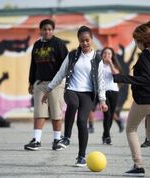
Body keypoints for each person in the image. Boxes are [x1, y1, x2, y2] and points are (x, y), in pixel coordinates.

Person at [113, 17, 150, 176]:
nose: (136, 45)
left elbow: (146, 79)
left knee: (131, 129)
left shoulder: (146, 54)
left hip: (146, 100)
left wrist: (120, 78)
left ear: (141, 41)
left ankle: (138, 166)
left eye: (136, 41)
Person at [42, 26, 108, 166]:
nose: (84, 43)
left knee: (82, 122)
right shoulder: (72, 55)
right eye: (82, 41)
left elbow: (101, 80)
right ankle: (66, 137)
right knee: (72, 104)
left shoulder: (97, 58)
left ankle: (81, 156)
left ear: (91, 40)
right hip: (72, 90)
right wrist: (48, 89)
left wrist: (102, 100)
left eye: (87, 40)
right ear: (78, 41)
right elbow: (61, 73)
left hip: (88, 94)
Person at [24, 19, 68, 151]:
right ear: (41, 30)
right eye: (44, 29)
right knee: (39, 112)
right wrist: (31, 82)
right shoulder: (37, 45)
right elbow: (33, 65)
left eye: (49, 29)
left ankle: (57, 140)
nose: (47, 31)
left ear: (53, 30)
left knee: (56, 112)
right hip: (40, 83)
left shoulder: (59, 44)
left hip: (55, 83)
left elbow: (66, 64)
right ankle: (36, 140)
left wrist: (64, 80)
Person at [101, 47, 121, 145]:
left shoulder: (114, 65)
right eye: (105, 53)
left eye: (109, 53)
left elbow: (116, 75)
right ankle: (107, 136)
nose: (106, 55)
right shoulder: (98, 65)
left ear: (112, 56)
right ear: (102, 54)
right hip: (103, 93)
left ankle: (105, 135)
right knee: (107, 114)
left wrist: (111, 64)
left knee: (111, 114)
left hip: (114, 91)